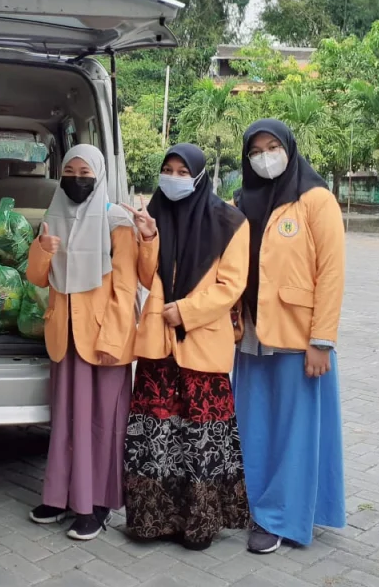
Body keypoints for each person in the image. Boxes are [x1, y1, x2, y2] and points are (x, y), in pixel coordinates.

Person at [123, 144, 251, 551]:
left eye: (182, 171)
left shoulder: (230, 221)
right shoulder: (154, 216)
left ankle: (199, 525)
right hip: (158, 347)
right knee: (156, 435)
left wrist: (188, 311)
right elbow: (146, 277)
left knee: (201, 437)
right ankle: (152, 521)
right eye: (168, 169)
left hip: (202, 344)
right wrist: (147, 237)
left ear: (198, 177)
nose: (174, 177)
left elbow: (232, 285)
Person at [233, 118, 346, 554]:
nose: (264, 156)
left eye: (272, 146)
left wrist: (322, 340)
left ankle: (282, 516)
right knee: (253, 424)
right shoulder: (241, 200)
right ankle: (255, 503)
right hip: (251, 335)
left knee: (294, 429)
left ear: (289, 147)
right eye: (255, 150)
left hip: (299, 339)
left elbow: (331, 273)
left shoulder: (316, 199)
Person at [25, 144, 139, 541]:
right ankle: (58, 496)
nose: (76, 178)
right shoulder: (53, 216)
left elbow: (126, 288)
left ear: (99, 175)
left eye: (84, 171)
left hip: (104, 340)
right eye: (69, 170)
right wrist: (41, 251)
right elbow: (38, 278)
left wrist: (113, 336)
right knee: (66, 421)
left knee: (102, 424)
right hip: (65, 336)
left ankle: (97, 505)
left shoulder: (116, 221)